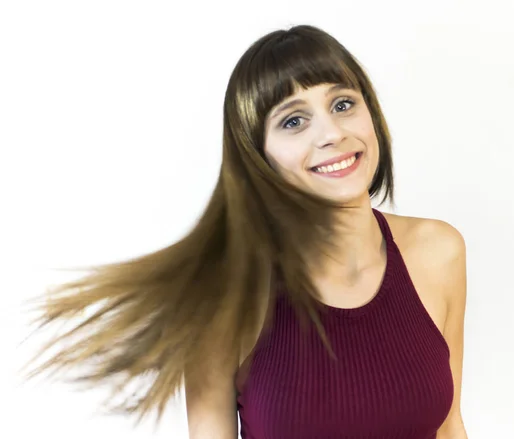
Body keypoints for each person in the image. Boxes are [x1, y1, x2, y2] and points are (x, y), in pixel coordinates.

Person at [20, 25, 468, 439]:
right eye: (294, 121)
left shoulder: (437, 252)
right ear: (258, 156)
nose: (332, 133)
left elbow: (449, 428)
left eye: (343, 104)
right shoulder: (223, 293)